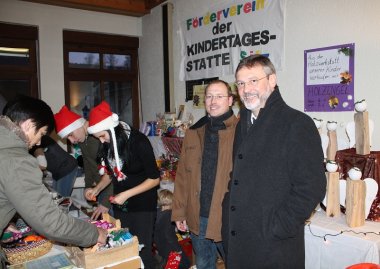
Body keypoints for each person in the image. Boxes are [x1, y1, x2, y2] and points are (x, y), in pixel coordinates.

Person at [221, 55, 326, 268]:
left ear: (272, 80)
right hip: (240, 239)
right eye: (240, 83)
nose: (246, 88)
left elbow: (312, 187)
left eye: (253, 80)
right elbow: (238, 176)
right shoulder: (244, 123)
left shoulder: (297, 124)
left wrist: (278, 227)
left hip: (273, 247)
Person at [0, 96, 107, 266]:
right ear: (27, 125)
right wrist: (94, 234)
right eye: (41, 133)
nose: (39, 142)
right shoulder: (17, 161)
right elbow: (51, 223)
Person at [84, 101, 160, 269]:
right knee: (124, 250)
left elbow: (155, 179)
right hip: (121, 205)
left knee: (142, 251)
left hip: (142, 205)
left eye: (103, 136)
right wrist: (96, 189)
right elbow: (112, 173)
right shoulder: (109, 144)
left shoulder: (139, 141)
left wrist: (126, 194)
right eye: (99, 138)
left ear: (113, 129)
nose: (102, 142)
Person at [171, 80, 238, 269]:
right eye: (209, 96)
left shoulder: (241, 132)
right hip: (197, 217)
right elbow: (183, 176)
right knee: (204, 265)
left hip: (227, 219)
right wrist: (179, 212)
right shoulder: (194, 132)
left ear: (231, 100)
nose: (213, 101)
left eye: (219, 96)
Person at [54, 105, 114, 220]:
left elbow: (112, 170)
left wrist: (106, 201)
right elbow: (88, 164)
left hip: (112, 192)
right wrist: (88, 186)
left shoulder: (98, 136)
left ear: (78, 125)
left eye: (70, 135)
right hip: (100, 189)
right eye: (68, 138)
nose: (72, 141)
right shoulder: (83, 139)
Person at [154, 189, 192, 269]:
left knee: (171, 265)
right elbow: (169, 235)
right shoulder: (169, 215)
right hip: (170, 247)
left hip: (161, 246)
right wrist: (178, 249)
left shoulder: (157, 212)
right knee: (185, 263)